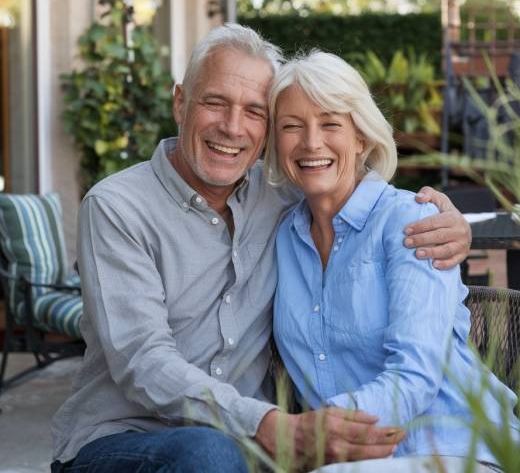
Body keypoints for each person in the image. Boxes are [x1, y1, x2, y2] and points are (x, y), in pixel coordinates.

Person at [51, 25, 472, 472]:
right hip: (126, 438)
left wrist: (447, 220)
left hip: (249, 447)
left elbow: (341, 182)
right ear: (180, 103)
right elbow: (143, 360)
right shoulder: (117, 207)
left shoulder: (281, 198)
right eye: (214, 102)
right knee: (208, 453)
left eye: (254, 111)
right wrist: (267, 424)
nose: (232, 128)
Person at [267, 51, 520, 470]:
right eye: (291, 126)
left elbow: (416, 376)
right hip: (344, 461)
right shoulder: (281, 237)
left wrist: (314, 431)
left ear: (361, 138)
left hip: (460, 448)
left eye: (330, 123)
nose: (311, 142)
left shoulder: (411, 221)